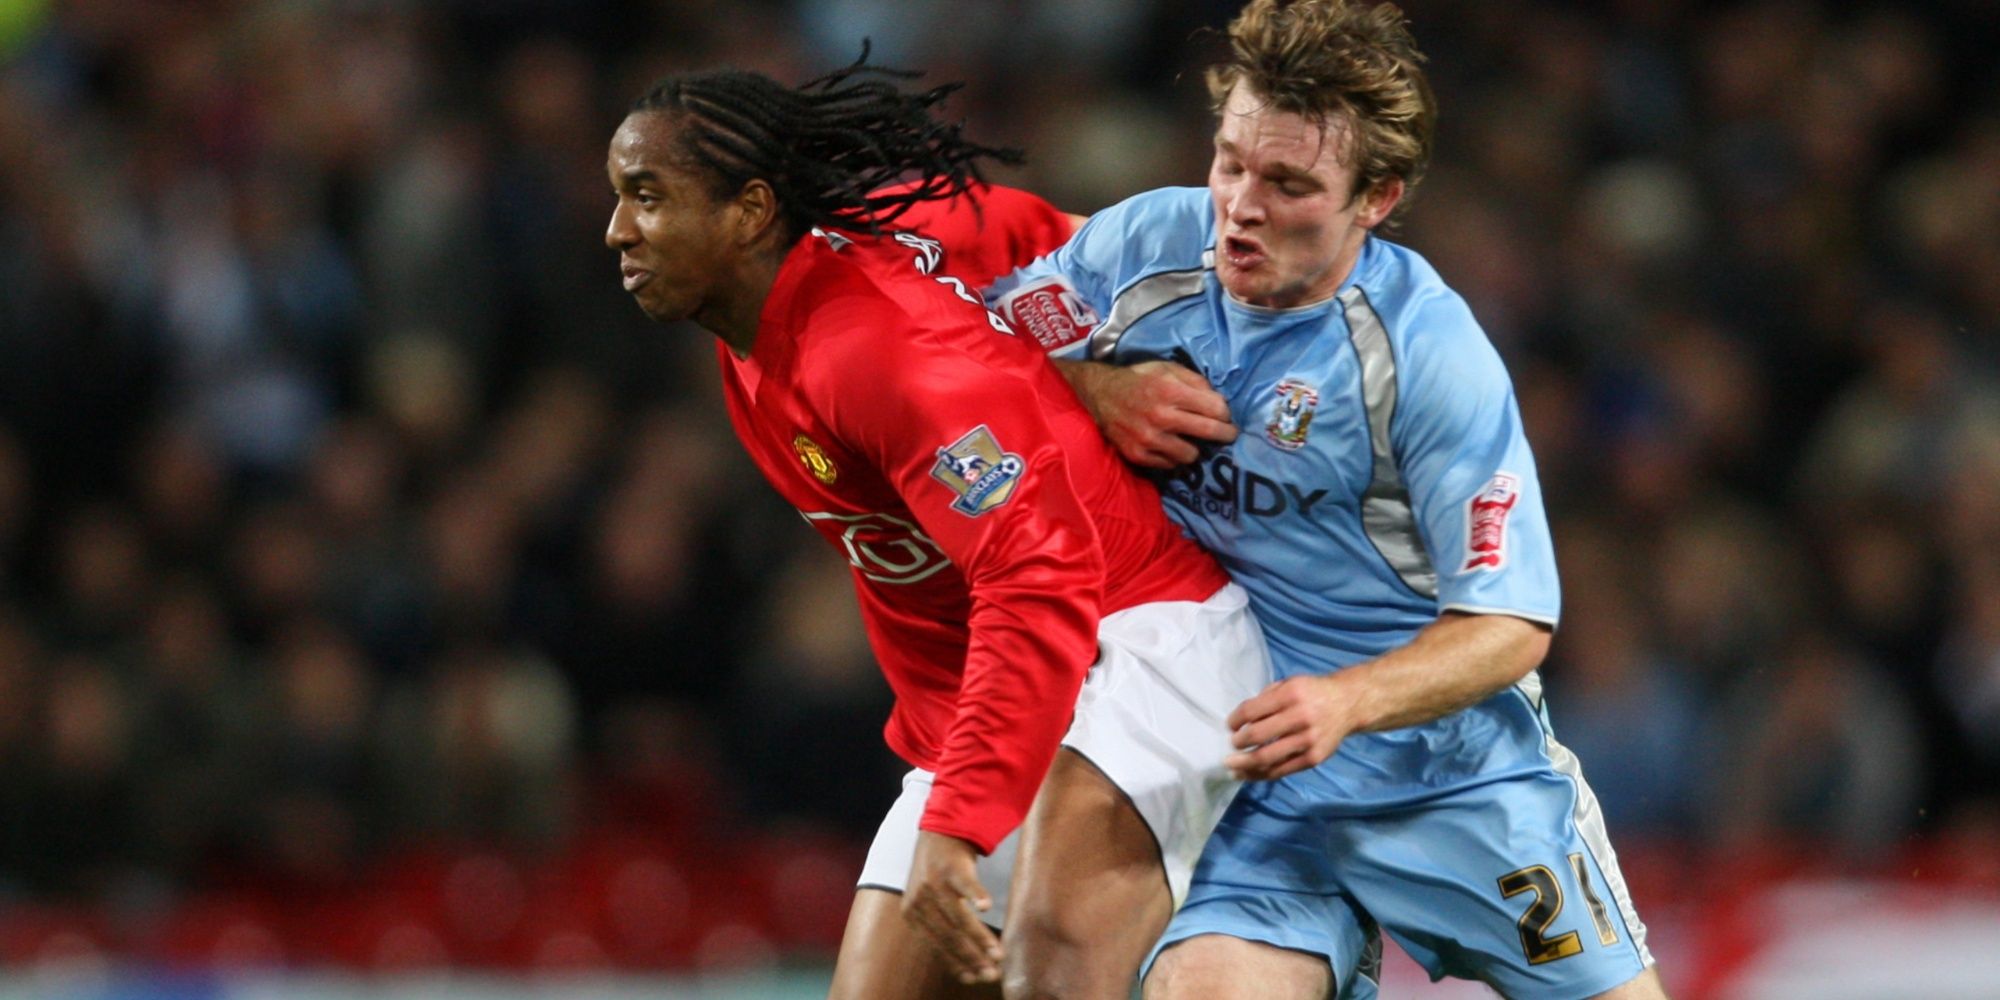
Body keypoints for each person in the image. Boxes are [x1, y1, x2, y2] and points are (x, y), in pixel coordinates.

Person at [987, 1, 1670, 997]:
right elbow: (963, 355)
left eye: (1288, 184)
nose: (1238, 207)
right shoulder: (1139, 252)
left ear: (1375, 198)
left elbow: (1510, 624)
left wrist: (1345, 702)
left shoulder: (1427, 355)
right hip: (1249, 775)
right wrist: (1086, 388)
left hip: (1448, 775)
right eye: (1228, 163)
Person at [602, 61, 1271, 999]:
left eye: (647, 197)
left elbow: (1038, 573)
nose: (617, 230)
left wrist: (959, 824)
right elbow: (1020, 253)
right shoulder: (775, 324)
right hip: (1000, 698)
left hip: (1139, 637)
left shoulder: (879, 351)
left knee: (1052, 969)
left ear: (750, 211)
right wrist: (1068, 383)